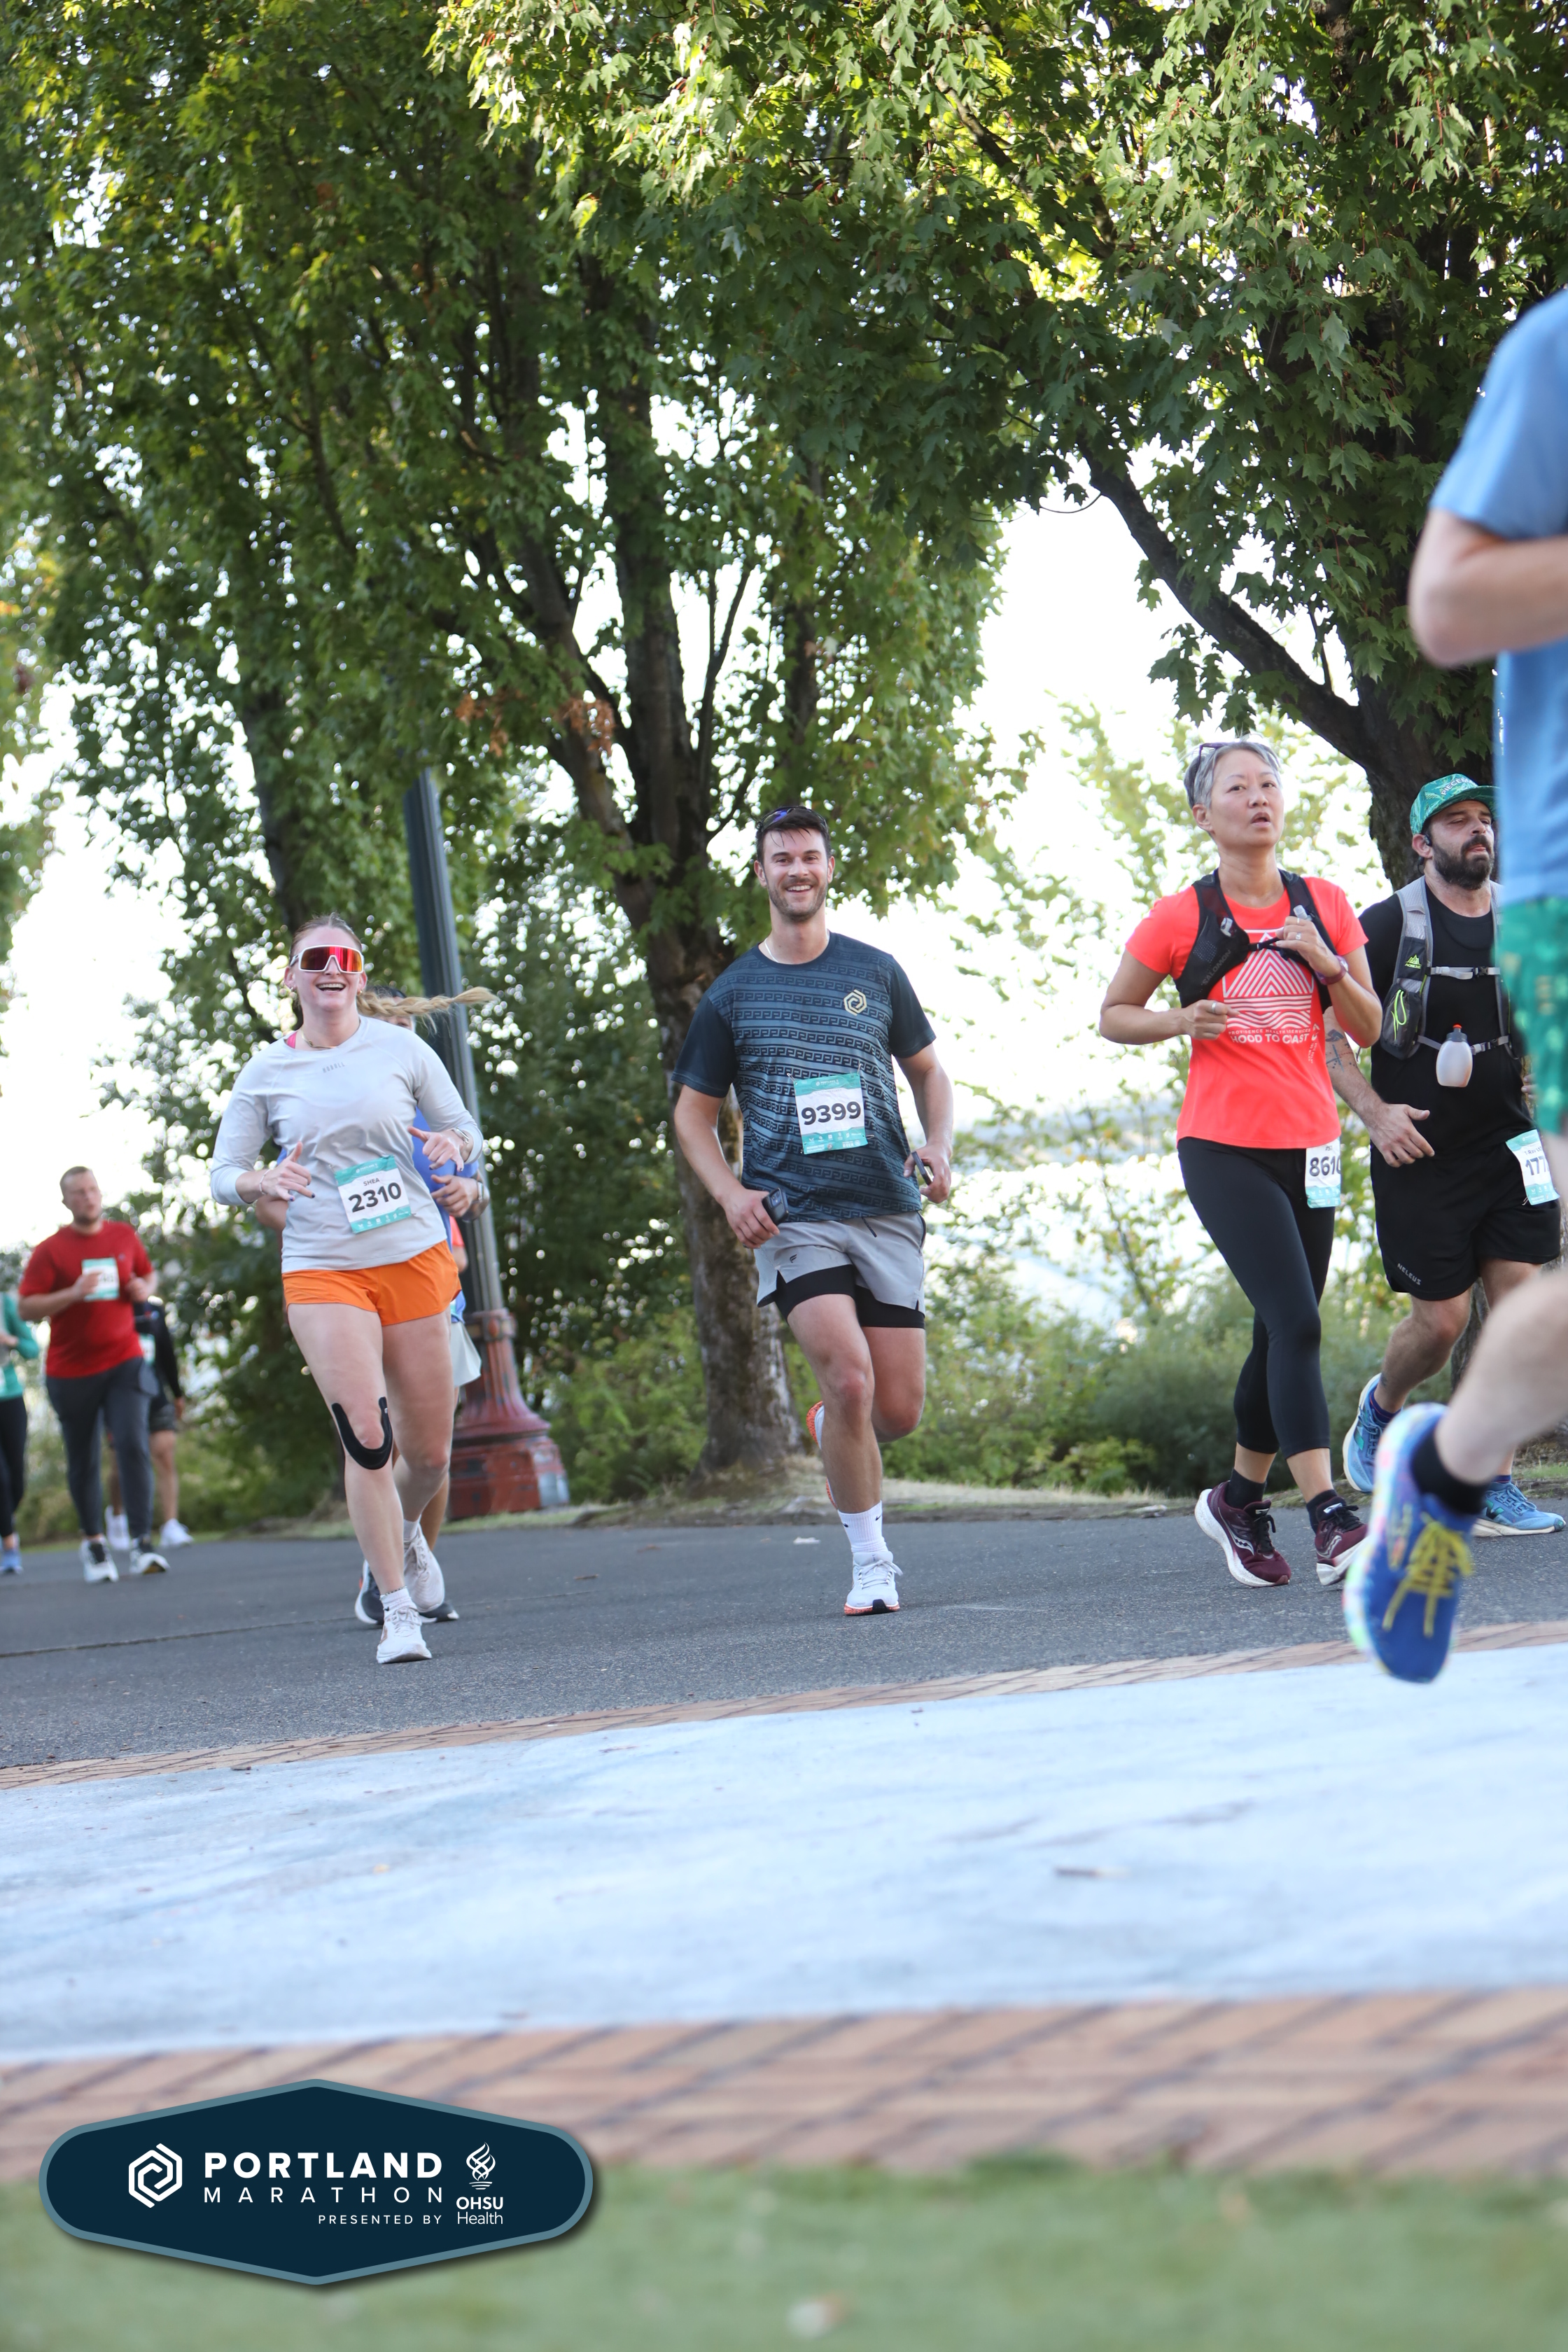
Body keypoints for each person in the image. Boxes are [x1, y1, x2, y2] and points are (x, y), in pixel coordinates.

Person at [1346, 288, 1568, 1681]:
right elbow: (1444, 602)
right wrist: (1369, 1103)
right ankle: (1442, 1464)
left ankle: (1450, 1464)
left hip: (1503, 1124)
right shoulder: (1556, 354)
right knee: (1464, 1310)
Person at [1099, 740, 1382, 1588]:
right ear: (1203, 815)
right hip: (1222, 1146)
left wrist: (1326, 962)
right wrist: (1179, 1020)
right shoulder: (1179, 916)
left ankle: (1237, 1498)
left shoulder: (1324, 903)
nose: (1257, 798)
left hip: (1312, 1148)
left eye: (1267, 784)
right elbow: (1114, 1014)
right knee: (1296, 1323)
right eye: (1236, 787)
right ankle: (1328, 1514)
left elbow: (1367, 1028)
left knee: (1277, 1328)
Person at [671, 803, 953, 1617]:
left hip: (885, 1206)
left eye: (808, 857)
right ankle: (871, 1564)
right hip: (793, 1217)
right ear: (760, 873)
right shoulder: (732, 994)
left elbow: (928, 1072)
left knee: (893, 1409)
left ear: (828, 869)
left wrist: (937, 1145)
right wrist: (731, 1194)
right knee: (852, 1376)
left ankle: (837, 1424)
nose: (795, 870)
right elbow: (691, 1115)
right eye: (780, 859)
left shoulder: (875, 971)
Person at [210, 915, 487, 1666]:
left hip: (415, 1259)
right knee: (368, 1436)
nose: (330, 967)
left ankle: (400, 1537)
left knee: (429, 1454)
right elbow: (223, 1174)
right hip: (322, 1267)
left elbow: (466, 1131)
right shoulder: (266, 1069)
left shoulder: (402, 1050)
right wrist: (260, 1181)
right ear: (292, 977)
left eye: (344, 957)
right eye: (314, 958)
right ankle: (396, 1609)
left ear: (359, 976)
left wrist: (455, 1150)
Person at [1328, 774, 1563, 1535]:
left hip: (1509, 1145)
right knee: (1440, 1324)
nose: (1477, 831)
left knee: (1517, 1315)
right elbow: (1329, 1039)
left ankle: (1490, 1480)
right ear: (1422, 844)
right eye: (1456, 821)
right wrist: (1374, 1115)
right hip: (1419, 1149)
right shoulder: (1384, 925)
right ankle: (1381, 1409)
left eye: (1483, 818)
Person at [18, 1168, 169, 1581]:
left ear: (100, 1194)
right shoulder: (51, 1250)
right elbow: (26, 1307)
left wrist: (143, 1287)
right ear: (66, 1202)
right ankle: (95, 1545)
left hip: (124, 1360)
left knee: (133, 1444)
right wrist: (72, 1293)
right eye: (78, 1193)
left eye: (92, 1190)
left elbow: (148, 1273)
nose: (87, 1197)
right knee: (83, 1457)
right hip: (72, 1371)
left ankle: (142, 1544)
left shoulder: (123, 1236)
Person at [106, 1296, 193, 1553]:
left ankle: (170, 1524)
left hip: (153, 1389)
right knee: (122, 1458)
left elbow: (166, 1349)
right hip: (118, 1393)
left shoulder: (153, 1309)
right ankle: (117, 1516)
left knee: (164, 1452)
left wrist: (177, 1392)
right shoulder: (106, 1306)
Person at [0, 1282, 41, 1572]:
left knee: (16, 1480)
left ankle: (4, 1521)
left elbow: (32, 1349)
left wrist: (10, 1340)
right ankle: (9, 1543)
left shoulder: (5, 1305)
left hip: (10, 1398)